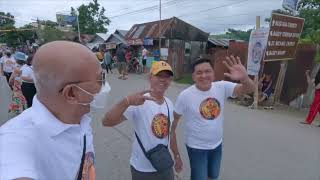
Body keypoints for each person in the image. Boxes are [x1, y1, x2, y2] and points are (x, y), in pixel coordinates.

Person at [0, 41, 110, 179]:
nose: (105, 85)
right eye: (101, 79)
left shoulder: (80, 116)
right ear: (71, 94)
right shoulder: (15, 140)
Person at [170, 57, 255, 180]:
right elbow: (173, 125)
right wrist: (176, 154)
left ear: (213, 74)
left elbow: (249, 89)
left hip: (216, 145)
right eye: (199, 72)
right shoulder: (185, 96)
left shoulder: (221, 87)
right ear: (193, 76)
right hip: (196, 147)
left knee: (213, 176)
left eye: (207, 71)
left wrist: (245, 78)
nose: (204, 75)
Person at [103, 61, 175, 180]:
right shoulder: (139, 101)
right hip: (142, 169)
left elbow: (170, 133)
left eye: (167, 77)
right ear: (150, 77)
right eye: (159, 75)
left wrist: (176, 155)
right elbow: (107, 122)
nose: (163, 79)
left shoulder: (169, 103)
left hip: (164, 165)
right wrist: (126, 102)